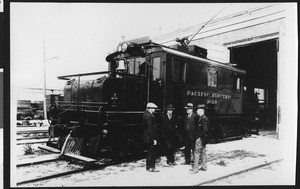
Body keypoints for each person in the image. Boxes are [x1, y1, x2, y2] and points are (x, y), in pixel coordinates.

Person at [190, 104, 210, 173]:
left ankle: (195, 169)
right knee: (203, 152)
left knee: (196, 153)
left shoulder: (203, 118)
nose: (196, 111)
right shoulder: (201, 117)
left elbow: (205, 130)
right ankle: (204, 166)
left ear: (201, 110)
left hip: (200, 139)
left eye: (197, 110)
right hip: (203, 139)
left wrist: (199, 137)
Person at [143, 102, 160, 172]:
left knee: (149, 152)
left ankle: (148, 167)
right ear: (150, 108)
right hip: (150, 137)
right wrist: (154, 139)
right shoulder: (150, 116)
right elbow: (150, 129)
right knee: (152, 152)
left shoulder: (145, 114)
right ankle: (151, 167)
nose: (155, 110)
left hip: (147, 137)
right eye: (154, 108)